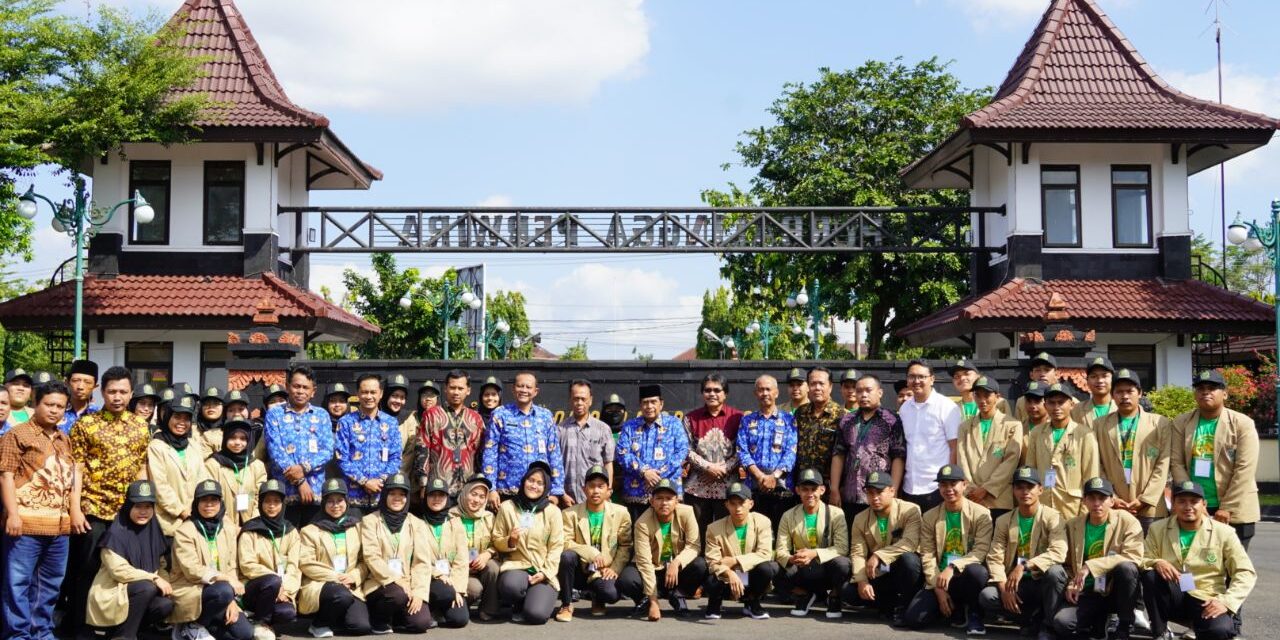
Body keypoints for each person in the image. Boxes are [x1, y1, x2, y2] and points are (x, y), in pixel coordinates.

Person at [65, 365, 153, 634]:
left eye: (123, 392)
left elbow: (141, 467)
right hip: (93, 509)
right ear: (101, 392)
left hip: (125, 513)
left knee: (124, 572)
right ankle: (79, 626)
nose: (117, 397)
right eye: (112, 391)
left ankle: (120, 628)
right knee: (87, 570)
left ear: (131, 394)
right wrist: (75, 509)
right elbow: (76, 469)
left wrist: (143, 505)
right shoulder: (86, 425)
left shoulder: (140, 426)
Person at [1, 380, 85, 640]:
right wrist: (12, 514)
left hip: (58, 528)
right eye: (49, 404)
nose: (55, 410)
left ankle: (42, 632)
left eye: (60, 406)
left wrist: (74, 512)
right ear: (35, 403)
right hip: (25, 525)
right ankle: (17, 634)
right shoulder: (17, 435)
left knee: (49, 585)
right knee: (18, 584)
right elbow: (5, 476)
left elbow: (71, 478)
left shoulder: (64, 439)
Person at [1142, 480, 1255, 640]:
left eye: (1194, 502)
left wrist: (1226, 602)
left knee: (1219, 631)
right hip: (1174, 596)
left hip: (1206, 597)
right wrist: (1156, 562)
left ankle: (1200, 627)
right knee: (1150, 575)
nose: (1188, 507)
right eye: (1181, 501)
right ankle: (1160, 632)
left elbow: (1245, 572)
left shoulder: (1224, 532)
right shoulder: (1158, 528)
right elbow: (1143, 558)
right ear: (1173, 504)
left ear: (1204, 505)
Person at [1171, 370, 1259, 549]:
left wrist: (1227, 507)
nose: (1205, 392)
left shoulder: (1243, 424)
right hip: (1196, 508)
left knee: (1233, 568)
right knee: (1199, 567)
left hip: (1235, 508)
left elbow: (1245, 469)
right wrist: (1191, 500)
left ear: (1225, 393)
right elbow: (1176, 462)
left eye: (1212, 388)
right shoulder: (1181, 422)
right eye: (1200, 388)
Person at [978, 467, 1068, 640]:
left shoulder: (1053, 517)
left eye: (1030, 487)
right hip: (1016, 584)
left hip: (1041, 581)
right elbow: (995, 557)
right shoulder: (1004, 520)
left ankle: (1048, 626)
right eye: (1020, 487)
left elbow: (1058, 552)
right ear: (1013, 490)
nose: (1025, 492)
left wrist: (1024, 565)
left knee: (1055, 572)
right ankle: (1028, 619)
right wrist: (1004, 589)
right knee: (988, 596)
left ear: (1040, 489)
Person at [902, 464, 993, 635]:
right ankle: (950, 609)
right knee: (913, 619)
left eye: (953, 484)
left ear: (964, 485)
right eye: (943, 485)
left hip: (964, 576)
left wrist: (953, 567)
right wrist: (937, 587)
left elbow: (980, 551)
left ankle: (974, 612)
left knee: (977, 572)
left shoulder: (981, 514)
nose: (948, 489)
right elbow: (927, 555)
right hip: (940, 579)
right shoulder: (930, 516)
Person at [1052, 477, 1144, 640]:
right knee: (1063, 623)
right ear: (1084, 501)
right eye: (1092, 498)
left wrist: (1090, 566)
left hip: (1114, 591)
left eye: (1102, 498)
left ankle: (1124, 624)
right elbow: (1065, 563)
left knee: (1127, 568)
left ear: (1112, 501)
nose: (1097, 503)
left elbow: (1134, 556)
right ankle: (1098, 621)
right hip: (1087, 591)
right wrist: (1071, 583)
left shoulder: (1127, 521)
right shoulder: (1073, 525)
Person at [86, 480, 174, 640]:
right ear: (128, 506)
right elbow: (119, 571)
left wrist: (164, 583)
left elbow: (161, 565)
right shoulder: (115, 534)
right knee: (146, 588)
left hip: (141, 593)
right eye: (138, 506)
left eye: (148, 506)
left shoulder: (154, 530)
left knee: (164, 605)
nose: (143, 511)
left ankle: (130, 631)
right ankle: (124, 636)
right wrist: (154, 578)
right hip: (114, 594)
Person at [168, 479, 251, 640]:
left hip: (221, 593)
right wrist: (227, 582)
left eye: (213, 500)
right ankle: (190, 625)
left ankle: (203, 625)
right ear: (196, 503)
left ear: (220, 503)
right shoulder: (185, 531)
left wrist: (231, 600)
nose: (209, 505)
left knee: (244, 634)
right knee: (223, 590)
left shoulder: (227, 528)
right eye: (204, 500)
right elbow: (192, 570)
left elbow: (231, 566)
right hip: (192, 589)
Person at [618, 478, 706, 621]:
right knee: (626, 579)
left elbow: (694, 546)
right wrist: (654, 602)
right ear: (652, 502)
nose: (664, 503)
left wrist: (676, 562)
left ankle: (678, 595)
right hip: (654, 568)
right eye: (659, 498)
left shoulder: (687, 513)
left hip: (676, 569)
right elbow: (644, 562)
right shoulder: (642, 523)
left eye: (668, 498)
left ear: (677, 501)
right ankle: (647, 599)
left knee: (700, 565)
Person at [1094, 369, 1171, 532]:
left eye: (1130, 391)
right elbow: (1097, 463)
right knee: (1117, 554)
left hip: (1151, 507)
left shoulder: (1159, 423)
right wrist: (1112, 497)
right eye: (1119, 392)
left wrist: (1145, 499)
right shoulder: (1100, 425)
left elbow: (1163, 464)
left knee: (1150, 554)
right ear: (1112, 395)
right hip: (1115, 506)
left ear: (1140, 393)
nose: (1125, 396)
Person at [845, 470, 923, 625]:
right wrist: (862, 581)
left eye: (880, 492)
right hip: (880, 574)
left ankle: (905, 604)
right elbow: (858, 553)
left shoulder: (910, 510)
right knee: (848, 592)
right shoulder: (860, 519)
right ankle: (886, 604)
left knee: (910, 560)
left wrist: (878, 555)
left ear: (892, 491)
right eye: (870, 493)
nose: (874, 498)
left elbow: (910, 542)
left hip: (903, 572)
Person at [556, 464, 632, 621]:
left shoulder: (621, 513)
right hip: (579, 569)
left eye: (600, 486)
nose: (596, 491)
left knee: (611, 594)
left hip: (604, 568)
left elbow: (625, 545)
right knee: (567, 557)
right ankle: (566, 604)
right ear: (584, 489)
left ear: (608, 490)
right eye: (591, 486)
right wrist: (590, 552)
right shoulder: (569, 513)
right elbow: (564, 542)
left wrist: (614, 568)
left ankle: (598, 597)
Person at [360, 472, 434, 633]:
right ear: (385, 495)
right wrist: (395, 579)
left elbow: (422, 563)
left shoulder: (417, 524)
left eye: (402, 494)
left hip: (408, 585)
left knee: (420, 623)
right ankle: (379, 619)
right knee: (397, 595)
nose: (397, 498)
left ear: (407, 498)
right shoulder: (370, 521)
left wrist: (419, 593)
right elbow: (371, 557)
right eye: (392, 493)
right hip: (379, 582)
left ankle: (397, 617)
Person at [493, 462, 565, 625]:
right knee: (510, 586)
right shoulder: (507, 507)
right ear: (523, 481)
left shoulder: (553, 512)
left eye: (540, 483)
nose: (534, 486)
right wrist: (510, 541)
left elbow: (556, 546)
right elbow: (496, 539)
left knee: (536, 615)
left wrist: (546, 573)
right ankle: (518, 603)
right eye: (531, 480)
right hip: (517, 566)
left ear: (546, 488)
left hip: (543, 569)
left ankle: (536, 600)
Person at [298, 478, 371, 638]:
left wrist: (353, 576)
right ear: (323, 503)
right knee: (340, 595)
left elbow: (364, 560)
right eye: (330, 501)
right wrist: (336, 578)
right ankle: (319, 624)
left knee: (361, 627)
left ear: (347, 502)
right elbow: (306, 563)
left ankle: (335, 620)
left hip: (350, 583)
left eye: (340, 500)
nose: (336, 505)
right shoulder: (310, 530)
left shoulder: (357, 527)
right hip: (322, 583)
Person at [830, 374, 906, 526]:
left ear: (880, 392)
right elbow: (838, 455)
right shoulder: (847, 420)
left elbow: (898, 456)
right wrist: (834, 489)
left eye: (868, 390)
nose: (863, 395)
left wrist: (894, 490)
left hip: (879, 493)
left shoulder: (891, 419)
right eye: (859, 391)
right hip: (850, 493)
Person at [774, 468, 850, 618]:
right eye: (805, 489)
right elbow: (781, 550)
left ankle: (834, 596)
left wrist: (814, 553)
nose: (810, 494)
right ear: (797, 490)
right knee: (773, 568)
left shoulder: (836, 514)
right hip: (803, 568)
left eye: (814, 489)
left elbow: (842, 547)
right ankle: (804, 595)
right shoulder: (788, 516)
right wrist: (791, 558)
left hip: (826, 568)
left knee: (843, 564)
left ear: (822, 490)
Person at [482, 372, 566, 507]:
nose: (524, 390)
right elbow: (490, 453)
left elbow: (554, 454)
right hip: (507, 492)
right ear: (513, 388)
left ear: (535, 391)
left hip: (539, 491)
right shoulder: (500, 414)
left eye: (528, 387)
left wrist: (556, 491)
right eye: (520, 386)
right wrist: (490, 489)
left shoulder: (545, 417)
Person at [265, 366, 334, 527]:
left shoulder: (321, 415)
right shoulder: (275, 414)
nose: (300, 391)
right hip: (284, 495)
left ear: (313, 391)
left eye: (305, 387)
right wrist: (300, 482)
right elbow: (275, 451)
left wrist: (304, 468)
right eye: (296, 386)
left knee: (312, 544)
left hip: (314, 494)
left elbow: (327, 451)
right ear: (288, 386)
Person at [703, 481, 778, 621]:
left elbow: (764, 553)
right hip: (726, 578)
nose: (738, 508)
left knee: (768, 568)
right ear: (726, 505)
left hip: (750, 575)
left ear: (750, 504)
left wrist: (734, 561)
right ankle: (715, 602)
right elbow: (713, 561)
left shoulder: (762, 522)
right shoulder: (714, 528)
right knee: (709, 571)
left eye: (742, 503)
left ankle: (752, 601)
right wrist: (730, 573)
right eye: (733, 503)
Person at [236, 479, 300, 640]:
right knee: (271, 581)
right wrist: (276, 580)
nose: (271, 506)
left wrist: (286, 589)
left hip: (280, 589)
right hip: (254, 587)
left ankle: (251, 618)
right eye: (267, 501)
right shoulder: (250, 530)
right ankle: (260, 622)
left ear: (283, 504)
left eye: (276, 501)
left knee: (288, 613)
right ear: (261, 504)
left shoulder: (291, 531)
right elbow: (247, 565)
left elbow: (294, 566)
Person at [1025, 383, 1099, 519]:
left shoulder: (1085, 434)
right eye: (1051, 403)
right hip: (1043, 505)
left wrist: (1085, 513)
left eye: (1061, 402)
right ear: (1045, 405)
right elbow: (1031, 471)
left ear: (1071, 405)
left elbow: (1091, 475)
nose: (1056, 407)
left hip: (1072, 507)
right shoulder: (1036, 432)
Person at [616, 384, 688, 522]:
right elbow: (622, 453)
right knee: (638, 536)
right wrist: (644, 472)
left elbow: (681, 451)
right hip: (637, 493)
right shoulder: (630, 426)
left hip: (667, 493)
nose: (649, 406)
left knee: (669, 538)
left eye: (653, 402)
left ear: (661, 404)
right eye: (645, 402)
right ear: (640, 405)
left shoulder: (674, 424)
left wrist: (656, 475)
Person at [899, 359, 963, 513]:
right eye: (912, 377)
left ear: (932, 379)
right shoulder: (904, 409)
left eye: (922, 377)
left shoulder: (947, 407)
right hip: (909, 486)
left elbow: (954, 447)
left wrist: (948, 482)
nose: (917, 381)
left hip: (936, 487)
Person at [955, 375, 1023, 521]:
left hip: (999, 497)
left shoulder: (1012, 425)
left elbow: (1010, 462)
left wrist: (986, 489)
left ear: (997, 397)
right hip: (971, 497)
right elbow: (962, 460)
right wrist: (972, 490)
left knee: (998, 541)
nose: (982, 400)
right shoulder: (965, 427)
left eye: (987, 395)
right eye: (977, 395)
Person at [736, 374, 797, 530]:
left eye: (768, 389)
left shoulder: (789, 420)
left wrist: (773, 477)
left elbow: (791, 452)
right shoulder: (747, 420)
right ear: (756, 393)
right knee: (756, 533)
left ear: (776, 392)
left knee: (781, 534)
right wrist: (761, 477)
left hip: (781, 488)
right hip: (754, 488)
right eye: (761, 390)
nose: (765, 393)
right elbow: (742, 450)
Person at [335, 373, 401, 510]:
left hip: (382, 496)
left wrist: (380, 481)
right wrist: (364, 481)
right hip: (353, 498)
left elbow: (396, 457)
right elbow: (341, 458)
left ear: (381, 394)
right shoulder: (346, 422)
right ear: (357, 394)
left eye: (373, 392)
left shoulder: (391, 423)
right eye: (365, 392)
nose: (369, 396)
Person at [414, 370, 484, 500]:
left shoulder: (476, 418)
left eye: (460, 388)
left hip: (468, 488)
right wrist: (423, 484)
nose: (456, 392)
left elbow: (480, 454)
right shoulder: (432, 415)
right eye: (452, 388)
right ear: (445, 389)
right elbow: (422, 450)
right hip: (438, 486)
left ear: (468, 390)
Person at [148, 396, 210, 536]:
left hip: (195, 521)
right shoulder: (157, 446)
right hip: (168, 523)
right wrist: (182, 512)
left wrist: (199, 510)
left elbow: (202, 478)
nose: (182, 422)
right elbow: (160, 486)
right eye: (177, 417)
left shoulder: (193, 445)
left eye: (186, 418)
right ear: (168, 417)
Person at [419, 477, 471, 627]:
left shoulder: (455, 522)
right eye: (432, 495)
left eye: (441, 495)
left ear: (447, 498)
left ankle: (440, 609)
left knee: (459, 619)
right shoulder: (417, 524)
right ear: (426, 497)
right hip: (428, 577)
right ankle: (430, 608)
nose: (436, 499)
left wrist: (458, 590)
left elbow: (461, 560)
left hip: (451, 580)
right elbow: (417, 560)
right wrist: (438, 573)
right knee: (444, 592)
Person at [449, 473, 500, 621]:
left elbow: (496, 543)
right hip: (458, 570)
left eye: (482, 496)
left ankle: (489, 610)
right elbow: (443, 549)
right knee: (474, 589)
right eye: (473, 494)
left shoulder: (488, 517)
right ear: (465, 493)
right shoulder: (451, 516)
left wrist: (487, 554)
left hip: (480, 565)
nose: (477, 500)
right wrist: (463, 564)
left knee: (493, 567)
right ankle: (455, 605)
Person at [558, 379, 617, 508]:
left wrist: (608, 491)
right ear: (570, 400)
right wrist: (562, 494)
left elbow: (608, 463)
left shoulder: (603, 429)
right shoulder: (560, 429)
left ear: (590, 400)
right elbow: (555, 465)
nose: (579, 403)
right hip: (568, 500)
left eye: (583, 399)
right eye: (576, 398)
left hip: (596, 500)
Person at [204, 419, 268, 530]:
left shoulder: (257, 466)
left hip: (251, 526)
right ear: (225, 439)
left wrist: (252, 523)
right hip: (221, 526)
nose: (237, 442)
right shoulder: (212, 465)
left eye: (243, 438)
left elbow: (261, 497)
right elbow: (211, 499)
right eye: (232, 438)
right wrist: (230, 527)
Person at [792, 366, 846, 489]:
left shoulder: (842, 415)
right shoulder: (800, 413)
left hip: (828, 486)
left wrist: (835, 488)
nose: (817, 388)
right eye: (813, 384)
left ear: (830, 386)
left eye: (821, 384)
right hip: (803, 485)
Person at [1016, 352, 1075, 424]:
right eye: (1038, 370)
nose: (1042, 374)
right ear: (1031, 375)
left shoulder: (1068, 401)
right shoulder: (1022, 401)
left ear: (1056, 374)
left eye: (1047, 370)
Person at [1072, 356, 1117, 433]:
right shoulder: (1076, 410)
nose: (1100, 380)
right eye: (1094, 376)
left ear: (1112, 379)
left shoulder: (1121, 408)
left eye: (1104, 376)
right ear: (1087, 381)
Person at [60, 359, 100, 434]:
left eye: (87, 382)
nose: (80, 387)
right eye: (75, 380)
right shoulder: (57, 411)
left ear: (95, 386)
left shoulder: (99, 415)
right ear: (67, 383)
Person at [196, 386, 225, 454]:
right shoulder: (192, 431)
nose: (211, 406)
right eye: (206, 403)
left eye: (216, 403)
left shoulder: (229, 431)